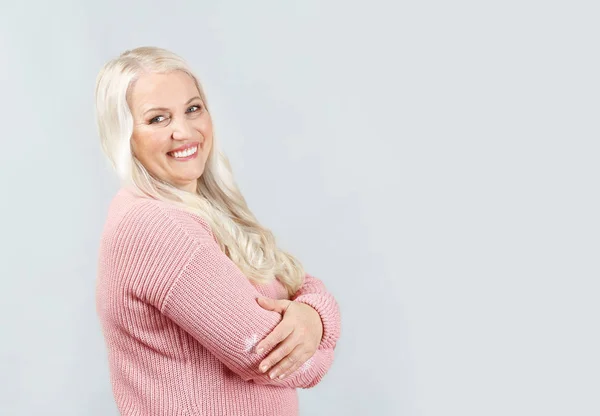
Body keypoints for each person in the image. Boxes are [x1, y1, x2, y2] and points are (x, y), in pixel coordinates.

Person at [94, 46, 341, 416]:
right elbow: (273, 357)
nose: (184, 131)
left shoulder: (206, 212)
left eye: (193, 109)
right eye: (158, 119)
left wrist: (312, 317)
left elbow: (300, 282)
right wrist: (321, 328)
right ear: (126, 135)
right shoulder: (152, 227)